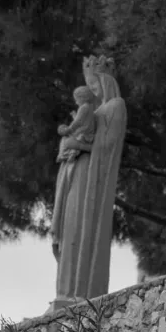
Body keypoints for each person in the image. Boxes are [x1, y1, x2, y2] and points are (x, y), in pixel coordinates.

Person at [50, 55, 127, 303]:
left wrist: (73, 142)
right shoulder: (94, 111)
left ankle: (80, 292)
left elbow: (107, 148)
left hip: (89, 177)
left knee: (79, 229)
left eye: (95, 87)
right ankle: (66, 292)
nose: (93, 93)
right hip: (75, 172)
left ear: (106, 82)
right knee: (70, 228)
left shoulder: (116, 106)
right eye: (90, 88)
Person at [56, 86, 96, 163]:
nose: (76, 102)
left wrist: (69, 129)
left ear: (82, 98)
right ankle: (65, 154)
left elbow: (78, 122)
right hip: (85, 131)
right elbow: (81, 120)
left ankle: (87, 148)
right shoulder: (89, 107)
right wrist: (75, 116)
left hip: (85, 133)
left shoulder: (83, 107)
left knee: (67, 142)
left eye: (76, 100)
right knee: (66, 140)